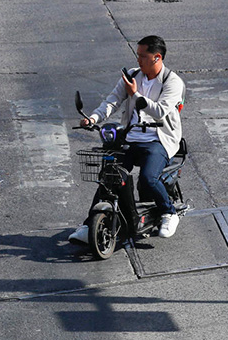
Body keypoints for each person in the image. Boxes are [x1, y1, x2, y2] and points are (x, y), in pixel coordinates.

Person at [70, 35, 186, 242]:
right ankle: (89, 225)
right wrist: (93, 117)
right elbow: (112, 100)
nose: (138, 59)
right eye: (138, 55)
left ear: (156, 57)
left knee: (148, 179)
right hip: (131, 138)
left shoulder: (172, 82)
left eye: (143, 56)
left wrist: (137, 95)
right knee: (109, 178)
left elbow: (160, 111)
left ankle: (169, 213)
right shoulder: (133, 75)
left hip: (158, 140)